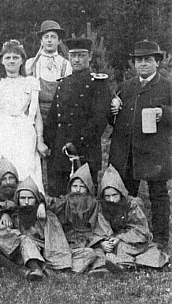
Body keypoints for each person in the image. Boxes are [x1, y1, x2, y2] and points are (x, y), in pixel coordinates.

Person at [109, 40, 172, 249]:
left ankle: (161, 239)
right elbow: (113, 121)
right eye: (139, 61)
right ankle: (128, 235)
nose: (143, 64)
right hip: (128, 151)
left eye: (147, 60)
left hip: (155, 150)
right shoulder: (125, 87)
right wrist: (113, 110)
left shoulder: (167, 86)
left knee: (158, 195)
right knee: (127, 195)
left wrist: (164, 113)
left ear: (157, 63)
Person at [0, 40, 48, 193]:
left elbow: (36, 115)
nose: (11, 61)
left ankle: (26, 200)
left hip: (23, 132)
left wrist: (40, 139)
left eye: (15, 58)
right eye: (8, 57)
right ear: (2, 60)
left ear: (22, 60)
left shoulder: (30, 83)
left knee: (24, 167)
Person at [44, 38, 110, 196]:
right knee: (58, 196)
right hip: (60, 151)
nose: (77, 60)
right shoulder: (63, 83)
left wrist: (76, 143)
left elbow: (99, 119)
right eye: (73, 56)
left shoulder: (98, 84)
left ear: (90, 57)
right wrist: (50, 144)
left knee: (85, 198)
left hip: (85, 149)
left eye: (81, 55)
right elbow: (53, 118)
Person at [0, 177, 73, 280]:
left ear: (36, 199)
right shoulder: (12, 215)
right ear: (17, 200)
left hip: (47, 253)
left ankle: (47, 269)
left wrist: (42, 204)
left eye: (30, 198)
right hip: (21, 253)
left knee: (87, 253)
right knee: (26, 241)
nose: (27, 202)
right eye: (23, 198)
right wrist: (4, 215)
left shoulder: (47, 215)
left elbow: (57, 241)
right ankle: (36, 269)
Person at [92, 165, 169, 270]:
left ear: (121, 193)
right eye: (107, 196)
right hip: (110, 241)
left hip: (129, 240)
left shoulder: (131, 205)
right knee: (96, 252)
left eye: (115, 195)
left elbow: (140, 229)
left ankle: (123, 264)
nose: (111, 200)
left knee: (126, 248)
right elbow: (99, 228)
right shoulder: (100, 207)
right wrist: (102, 242)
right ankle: (111, 264)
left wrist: (120, 238)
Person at [42, 164, 109, 275]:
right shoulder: (64, 202)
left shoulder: (94, 205)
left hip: (87, 242)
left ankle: (93, 268)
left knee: (95, 253)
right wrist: (41, 203)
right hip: (67, 243)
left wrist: (101, 241)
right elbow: (50, 202)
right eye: (75, 186)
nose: (78, 190)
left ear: (88, 189)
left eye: (82, 187)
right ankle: (70, 268)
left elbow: (101, 226)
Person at [25, 20, 72, 120]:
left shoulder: (66, 64)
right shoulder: (32, 63)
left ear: (59, 41)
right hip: (36, 114)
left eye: (53, 37)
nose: (49, 40)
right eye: (46, 37)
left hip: (58, 115)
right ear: (41, 41)